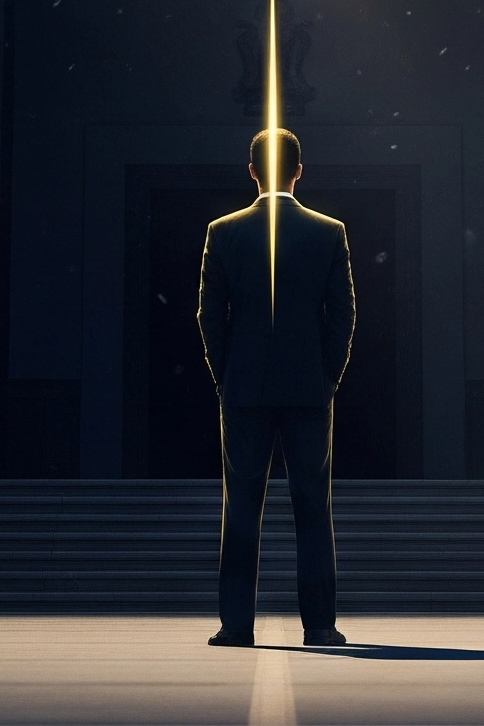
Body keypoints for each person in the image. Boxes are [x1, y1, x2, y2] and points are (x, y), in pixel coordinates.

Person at [196, 126, 355, 648]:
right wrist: (327, 377)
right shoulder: (329, 232)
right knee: (313, 508)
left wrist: (226, 377)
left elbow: (209, 316)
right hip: (308, 389)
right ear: (299, 171)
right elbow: (343, 317)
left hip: (244, 389)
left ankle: (235, 625)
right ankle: (321, 625)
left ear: (252, 171)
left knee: (241, 507)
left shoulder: (223, 232)